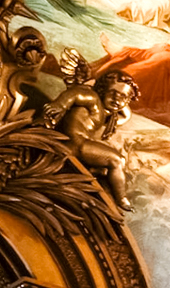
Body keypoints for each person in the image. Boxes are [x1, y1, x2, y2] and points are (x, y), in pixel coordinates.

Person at [39, 70, 139, 210]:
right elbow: (75, 94)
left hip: (79, 144)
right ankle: (122, 199)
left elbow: (126, 115)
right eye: (113, 93)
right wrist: (60, 104)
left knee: (108, 168)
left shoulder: (104, 112)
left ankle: (94, 171)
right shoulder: (92, 98)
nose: (117, 99)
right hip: (76, 143)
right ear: (102, 90)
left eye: (123, 96)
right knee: (117, 160)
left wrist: (122, 98)